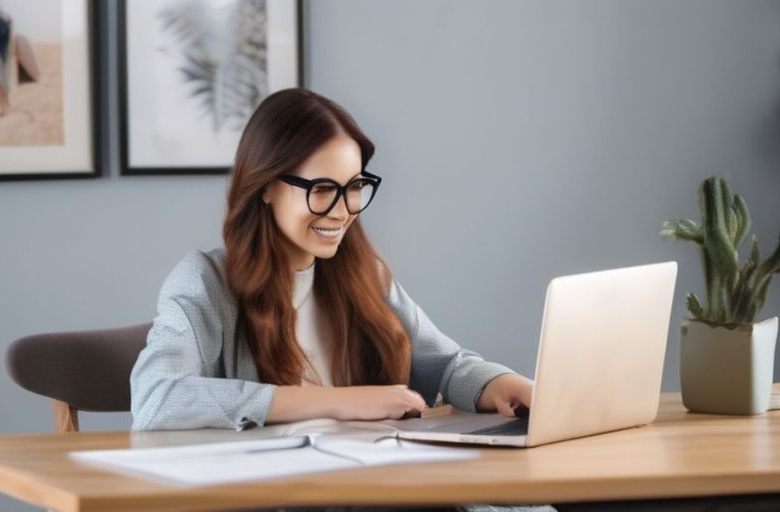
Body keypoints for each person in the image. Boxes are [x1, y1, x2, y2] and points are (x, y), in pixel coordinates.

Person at [129, 87, 535, 434]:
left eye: (354, 186)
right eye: (323, 188)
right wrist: (336, 402)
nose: (343, 211)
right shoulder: (207, 281)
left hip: (382, 481)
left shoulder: (364, 275)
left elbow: (444, 365)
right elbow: (155, 397)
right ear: (266, 187)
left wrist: (503, 384)